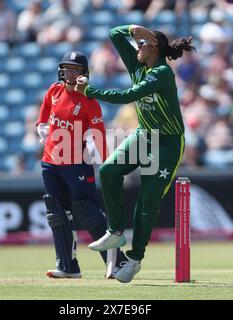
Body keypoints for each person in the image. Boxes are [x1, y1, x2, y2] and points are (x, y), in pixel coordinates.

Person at [75, 25, 194, 283]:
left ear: (154, 47)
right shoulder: (138, 64)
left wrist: (90, 91)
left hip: (167, 143)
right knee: (108, 171)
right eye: (138, 43)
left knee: (147, 200)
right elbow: (114, 35)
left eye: (141, 43)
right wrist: (134, 29)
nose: (136, 47)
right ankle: (116, 230)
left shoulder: (162, 73)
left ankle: (135, 259)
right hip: (144, 135)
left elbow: (130, 95)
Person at [36, 51, 128, 279]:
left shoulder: (89, 100)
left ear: (84, 73)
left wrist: (104, 160)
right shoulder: (54, 90)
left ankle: (117, 262)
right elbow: (45, 110)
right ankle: (68, 266)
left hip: (77, 164)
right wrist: (40, 125)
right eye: (67, 68)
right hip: (51, 163)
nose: (70, 73)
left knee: (88, 211)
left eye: (75, 69)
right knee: (57, 212)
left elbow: (98, 133)